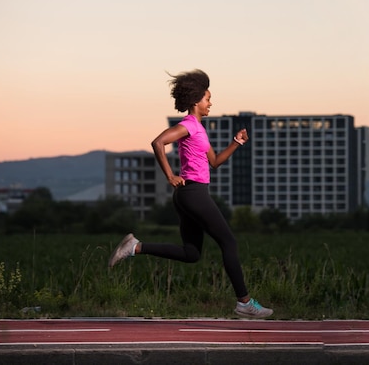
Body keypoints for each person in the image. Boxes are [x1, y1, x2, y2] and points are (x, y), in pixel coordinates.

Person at [108, 69, 273, 318]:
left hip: (188, 195)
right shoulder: (187, 126)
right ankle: (244, 302)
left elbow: (215, 162)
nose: (211, 103)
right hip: (193, 193)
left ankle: (135, 247)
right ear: (196, 101)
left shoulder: (198, 129)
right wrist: (170, 175)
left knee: (192, 254)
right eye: (208, 99)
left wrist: (237, 143)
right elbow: (158, 142)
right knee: (229, 242)